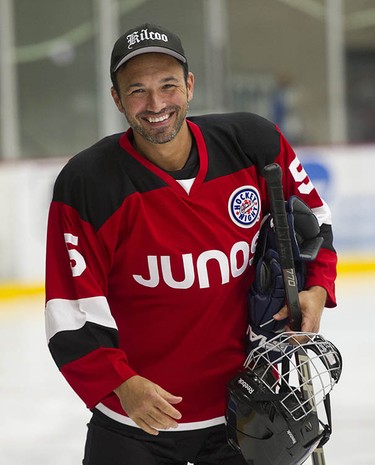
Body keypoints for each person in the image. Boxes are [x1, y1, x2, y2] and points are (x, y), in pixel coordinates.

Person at [45, 23, 337, 465]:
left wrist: (316, 288)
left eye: (168, 86)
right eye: (138, 90)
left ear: (190, 86)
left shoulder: (252, 145)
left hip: (249, 414)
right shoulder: (89, 183)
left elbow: (312, 226)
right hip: (136, 424)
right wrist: (120, 384)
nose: (156, 104)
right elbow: (68, 310)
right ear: (117, 99)